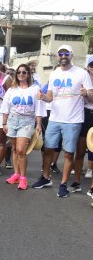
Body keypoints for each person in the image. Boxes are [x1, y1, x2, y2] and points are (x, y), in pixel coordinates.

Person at [33, 45, 93, 197]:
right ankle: (46, 178)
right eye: (61, 53)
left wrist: (86, 94)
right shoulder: (54, 74)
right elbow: (50, 97)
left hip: (73, 120)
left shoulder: (81, 73)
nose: (63, 55)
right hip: (54, 118)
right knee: (48, 150)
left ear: (71, 55)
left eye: (66, 53)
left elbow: (91, 97)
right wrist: (43, 97)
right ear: (58, 56)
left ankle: (63, 184)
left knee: (68, 153)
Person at [1, 64, 46, 190]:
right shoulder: (12, 89)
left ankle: (23, 178)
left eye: (24, 72)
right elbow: (5, 108)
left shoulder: (35, 89)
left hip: (27, 121)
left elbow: (38, 108)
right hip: (12, 120)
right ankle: (16, 174)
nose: (21, 74)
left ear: (28, 74)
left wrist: (38, 124)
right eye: (19, 72)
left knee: (21, 150)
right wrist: (4, 123)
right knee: (15, 149)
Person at [69, 56, 93, 193]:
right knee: (80, 151)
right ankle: (77, 181)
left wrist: (88, 95)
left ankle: (92, 187)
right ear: (88, 67)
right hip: (84, 115)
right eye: (92, 66)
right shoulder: (80, 80)